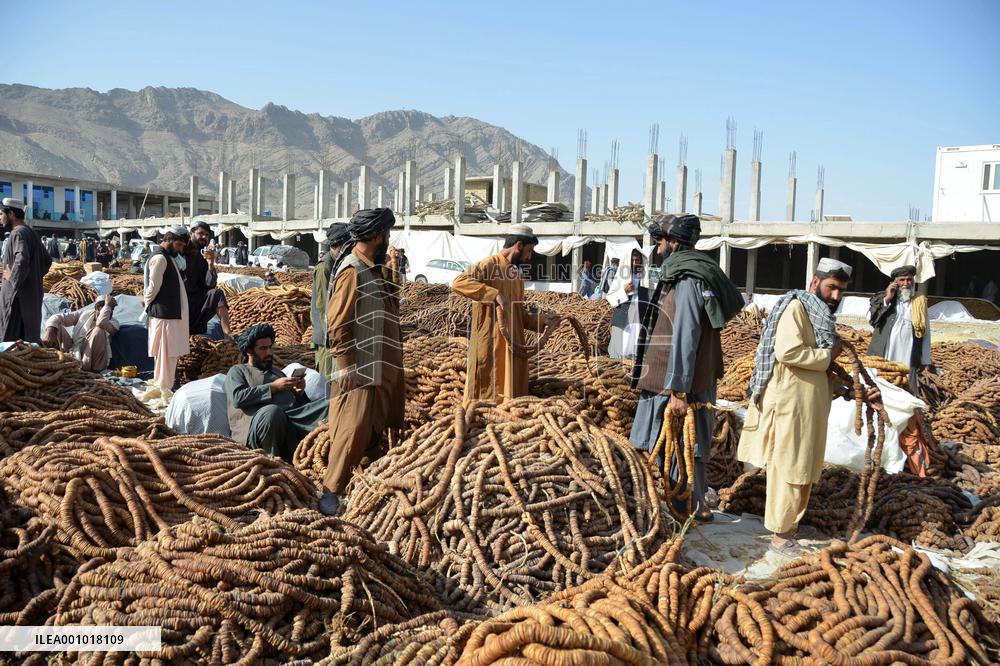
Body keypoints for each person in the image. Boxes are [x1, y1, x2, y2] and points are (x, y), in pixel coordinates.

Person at [738, 258, 881, 557]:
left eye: (841, 290)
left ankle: (790, 525)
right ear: (815, 283)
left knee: (804, 466)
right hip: (790, 404)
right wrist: (828, 356)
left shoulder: (819, 318)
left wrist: (848, 391)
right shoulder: (797, 309)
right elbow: (788, 352)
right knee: (789, 466)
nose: (836, 296)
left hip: (809, 406)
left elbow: (818, 371)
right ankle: (780, 534)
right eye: (831, 288)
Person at [629, 215, 743, 521]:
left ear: (674, 243)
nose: (657, 249)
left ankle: (685, 508)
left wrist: (678, 389)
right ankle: (682, 503)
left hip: (675, 381)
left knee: (682, 446)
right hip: (678, 376)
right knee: (678, 443)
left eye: (660, 242)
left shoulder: (689, 279)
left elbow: (686, 334)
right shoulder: (687, 272)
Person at [320, 208, 406, 516]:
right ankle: (330, 492)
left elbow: (392, 304)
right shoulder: (352, 270)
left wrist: (394, 267)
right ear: (375, 236)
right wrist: (346, 364)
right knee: (351, 430)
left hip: (379, 366)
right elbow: (337, 322)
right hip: (357, 369)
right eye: (386, 234)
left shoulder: (373, 268)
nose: (388, 240)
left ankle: (363, 487)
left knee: (374, 429)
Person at [452, 224, 559, 403]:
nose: (529, 257)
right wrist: (494, 294)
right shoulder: (488, 265)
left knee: (513, 402)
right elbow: (458, 282)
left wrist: (541, 321)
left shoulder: (517, 278)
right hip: (490, 345)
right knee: (486, 398)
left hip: (513, 348)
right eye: (529, 250)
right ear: (518, 245)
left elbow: (520, 316)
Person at [225, 324, 329, 461]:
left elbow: (299, 407)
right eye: (263, 348)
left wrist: (299, 393)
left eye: (270, 347)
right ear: (249, 351)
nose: (269, 353)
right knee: (272, 412)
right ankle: (273, 461)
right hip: (260, 426)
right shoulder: (237, 371)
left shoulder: (277, 372)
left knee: (329, 404)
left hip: (291, 421)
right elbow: (238, 398)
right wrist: (273, 387)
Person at [868, 265, 934, 476]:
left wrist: (925, 360)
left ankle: (905, 444)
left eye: (909, 280)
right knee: (882, 398)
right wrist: (888, 297)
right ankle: (881, 444)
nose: (906, 284)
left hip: (908, 364)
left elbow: (926, 334)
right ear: (895, 281)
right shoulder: (882, 298)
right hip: (885, 362)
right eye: (902, 280)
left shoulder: (919, 303)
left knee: (906, 401)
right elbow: (873, 318)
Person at [143, 226, 190, 394]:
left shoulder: (168, 257)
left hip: (170, 316)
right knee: (165, 356)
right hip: (165, 316)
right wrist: (146, 302)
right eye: (178, 245)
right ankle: (164, 389)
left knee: (169, 357)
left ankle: (165, 387)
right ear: (169, 240)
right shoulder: (160, 259)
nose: (180, 249)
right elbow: (153, 287)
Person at [0, 198, 52, 343]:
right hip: (30, 298)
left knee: (12, 345)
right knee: (28, 344)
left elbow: (21, 260)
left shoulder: (18, 233)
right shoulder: (31, 232)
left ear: (11, 214)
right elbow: (47, 261)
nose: (0, 218)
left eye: (1, 214)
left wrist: (12, 278)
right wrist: (32, 278)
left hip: (16, 301)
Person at [310, 223, 350, 379]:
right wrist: (333, 338)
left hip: (334, 338)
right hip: (327, 340)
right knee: (327, 386)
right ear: (339, 245)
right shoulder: (325, 267)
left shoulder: (338, 264)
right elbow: (322, 307)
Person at [42, 295, 119, 372]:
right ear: (97, 307)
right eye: (106, 307)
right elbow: (56, 317)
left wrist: (107, 305)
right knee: (56, 325)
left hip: (91, 361)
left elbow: (101, 323)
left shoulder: (114, 323)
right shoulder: (84, 314)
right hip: (74, 351)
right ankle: (55, 359)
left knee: (99, 330)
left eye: (111, 308)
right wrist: (50, 331)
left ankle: (86, 368)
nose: (110, 311)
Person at [182, 221, 232, 338]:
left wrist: (210, 264)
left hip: (195, 299)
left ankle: (227, 334)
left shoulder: (201, 257)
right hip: (179, 299)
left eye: (206, 235)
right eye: (200, 233)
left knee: (217, 294)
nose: (204, 237)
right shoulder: (181, 250)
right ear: (191, 233)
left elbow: (209, 284)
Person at [607, 250, 649, 360]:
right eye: (632, 260)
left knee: (637, 346)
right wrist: (623, 291)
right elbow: (610, 298)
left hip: (640, 316)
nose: (635, 263)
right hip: (624, 316)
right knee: (622, 346)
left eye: (637, 260)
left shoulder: (645, 278)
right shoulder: (620, 278)